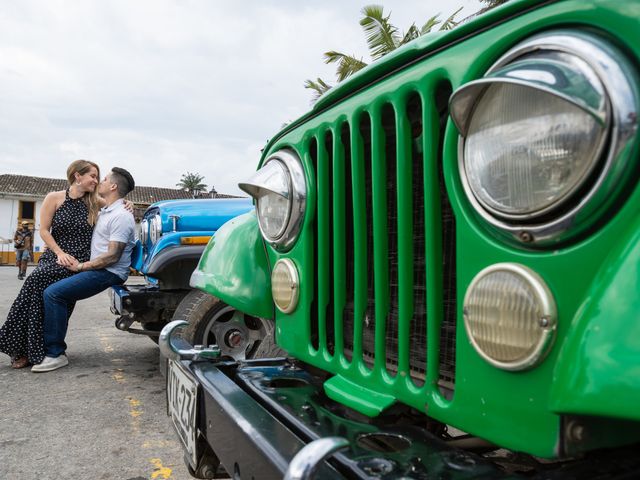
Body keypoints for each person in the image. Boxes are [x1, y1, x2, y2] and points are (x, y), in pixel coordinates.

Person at [32, 167, 136, 372]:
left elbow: (113, 256)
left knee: (54, 294)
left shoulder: (121, 216)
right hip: (97, 268)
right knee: (48, 288)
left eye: (104, 179)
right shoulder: (108, 209)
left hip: (108, 272)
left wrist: (81, 266)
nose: (100, 182)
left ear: (113, 186)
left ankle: (55, 353)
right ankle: (37, 346)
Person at [0, 160, 101, 369]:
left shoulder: (95, 202)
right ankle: (25, 348)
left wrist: (127, 204)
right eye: (92, 175)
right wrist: (59, 253)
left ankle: (31, 350)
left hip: (78, 261)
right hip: (56, 256)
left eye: (97, 176)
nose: (96, 180)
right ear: (77, 176)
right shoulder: (54, 198)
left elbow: (119, 205)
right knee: (36, 282)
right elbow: (44, 230)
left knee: (53, 295)